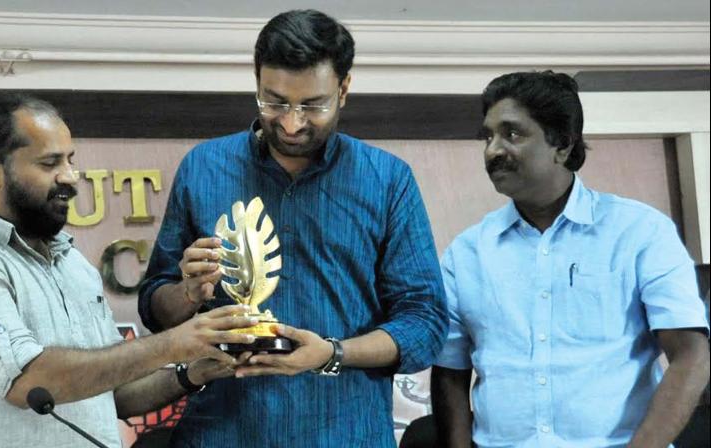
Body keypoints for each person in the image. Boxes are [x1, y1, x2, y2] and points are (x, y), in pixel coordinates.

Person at [138, 9, 448, 448]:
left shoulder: (387, 180)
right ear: (256, 82)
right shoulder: (204, 168)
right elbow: (155, 308)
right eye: (275, 101)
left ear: (344, 89)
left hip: (344, 432)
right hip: (224, 432)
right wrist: (187, 293)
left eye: (312, 105)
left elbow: (426, 322)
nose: (291, 122)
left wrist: (332, 353)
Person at [0, 93, 259, 447]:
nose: (70, 177)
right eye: (50, 164)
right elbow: (28, 381)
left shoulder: (73, 265)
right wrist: (175, 342)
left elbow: (117, 391)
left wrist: (193, 372)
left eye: (70, 160)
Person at [431, 71, 710, 447]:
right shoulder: (467, 252)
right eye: (488, 136)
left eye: (512, 134)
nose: (493, 150)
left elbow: (691, 356)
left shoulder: (640, 232)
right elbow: (450, 371)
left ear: (561, 144)